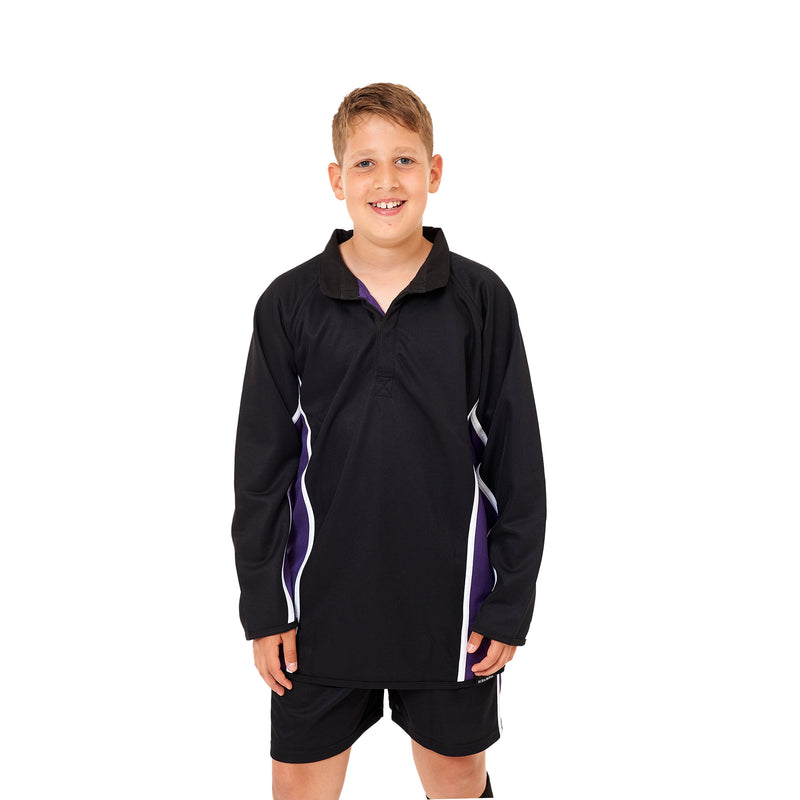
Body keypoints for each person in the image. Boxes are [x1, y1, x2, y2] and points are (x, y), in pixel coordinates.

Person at [231, 82, 546, 800]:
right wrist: (264, 604)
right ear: (336, 178)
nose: (386, 181)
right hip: (319, 607)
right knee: (299, 785)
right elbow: (261, 470)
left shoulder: (480, 298)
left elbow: (516, 464)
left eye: (404, 160)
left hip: (452, 610)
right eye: (365, 163)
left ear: (434, 172)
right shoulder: (288, 303)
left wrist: (510, 601)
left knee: (458, 777)